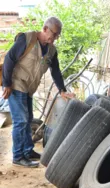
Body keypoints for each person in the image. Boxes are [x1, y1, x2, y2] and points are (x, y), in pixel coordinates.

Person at [2, 16, 75, 168]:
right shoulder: (26, 39)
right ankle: (18, 156)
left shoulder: (51, 50)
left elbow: (55, 71)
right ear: (45, 29)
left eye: (57, 35)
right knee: (21, 121)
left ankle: (28, 151)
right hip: (16, 84)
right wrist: (7, 83)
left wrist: (62, 90)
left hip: (29, 88)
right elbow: (9, 59)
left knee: (28, 119)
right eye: (54, 34)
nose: (55, 38)